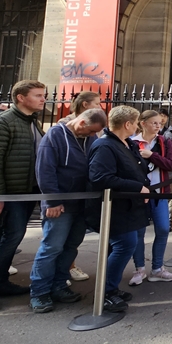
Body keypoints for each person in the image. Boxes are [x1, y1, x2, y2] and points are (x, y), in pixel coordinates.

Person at [0, 80, 46, 314]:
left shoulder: (32, 122)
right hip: (11, 193)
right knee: (10, 238)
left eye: (43, 95)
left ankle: (1, 282)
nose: (43, 99)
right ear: (21, 98)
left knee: (11, 237)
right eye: (38, 95)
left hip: (27, 192)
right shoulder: (2, 122)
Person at [28, 108, 108, 313]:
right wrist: (52, 201)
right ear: (81, 123)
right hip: (60, 204)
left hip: (81, 203)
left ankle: (59, 285)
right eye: (91, 131)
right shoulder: (54, 136)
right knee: (51, 247)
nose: (93, 135)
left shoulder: (89, 138)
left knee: (70, 247)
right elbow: (45, 171)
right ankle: (39, 292)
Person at [87, 106, 150, 313]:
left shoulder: (126, 143)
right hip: (114, 208)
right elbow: (100, 177)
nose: (137, 126)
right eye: (136, 122)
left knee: (124, 245)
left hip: (129, 206)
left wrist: (143, 187)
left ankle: (110, 287)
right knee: (124, 244)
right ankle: (105, 292)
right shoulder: (105, 146)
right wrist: (137, 187)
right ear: (127, 124)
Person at [128, 110, 172, 284]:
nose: (158, 126)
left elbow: (171, 164)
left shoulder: (164, 142)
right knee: (139, 232)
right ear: (143, 123)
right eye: (154, 123)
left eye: (160, 123)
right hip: (138, 193)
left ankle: (157, 268)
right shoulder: (132, 142)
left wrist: (152, 156)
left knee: (163, 228)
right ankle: (139, 268)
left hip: (159, 192)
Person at [65, 90, 102, 283]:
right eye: (97, 103)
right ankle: (63, 271)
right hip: (66, 193)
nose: (100, 106)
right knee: (58, 239)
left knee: (75, 236)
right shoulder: (64, 127)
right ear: (85, 105)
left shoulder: (94, 130)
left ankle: (67, 267)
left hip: (85, 191)